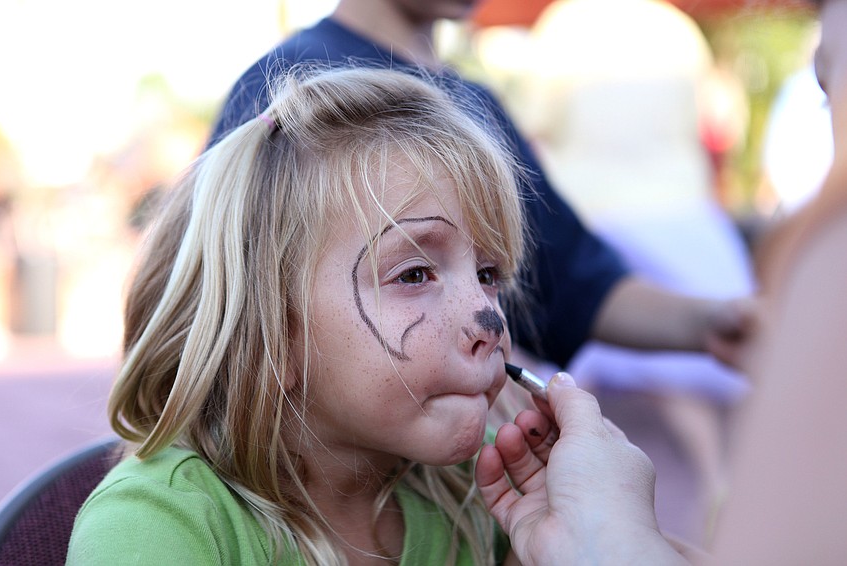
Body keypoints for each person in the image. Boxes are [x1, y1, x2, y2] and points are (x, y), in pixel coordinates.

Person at [68, 65, 565, 564]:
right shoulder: (155, 528)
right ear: (270, 337)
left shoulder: (492, 488)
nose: (488, 322)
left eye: (488, 274)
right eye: (414, 275)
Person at [208, 0, 754, 384]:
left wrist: (716, 324)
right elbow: (224, 310)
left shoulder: (478, 107)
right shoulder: (285, 88)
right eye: (415, 274)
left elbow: (569, 283)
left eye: (487, 277)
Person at [476, 0, 847, 562]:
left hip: (605, 207)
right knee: (688, 397)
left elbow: (542, 128)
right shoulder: (675, 33)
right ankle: (715, 471)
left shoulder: (564, 32)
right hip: (684, 209)